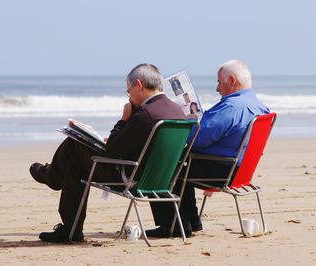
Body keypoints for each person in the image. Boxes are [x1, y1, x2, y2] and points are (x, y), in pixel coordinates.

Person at [29, 63, 186, 243]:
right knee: (75, 164)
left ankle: (53, 178)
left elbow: (112, 150)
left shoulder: (145, 114)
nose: (129, 96)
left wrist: (124, 119)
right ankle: (70, 229)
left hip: (129, 177)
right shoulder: (176, 111)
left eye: (129, 91)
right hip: (160, 180)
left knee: (74, 143)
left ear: (139, 85)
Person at [147, 60, 270, 238]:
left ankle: (172, 225)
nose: (217, 89)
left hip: (222, 170)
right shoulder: (259, 106)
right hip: (242, 170)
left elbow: (198, 140)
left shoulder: (231, 107)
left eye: (219, 82)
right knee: (181, 164)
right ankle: (190, 221)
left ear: (232, 80)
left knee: (165, 164)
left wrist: (186, 120)